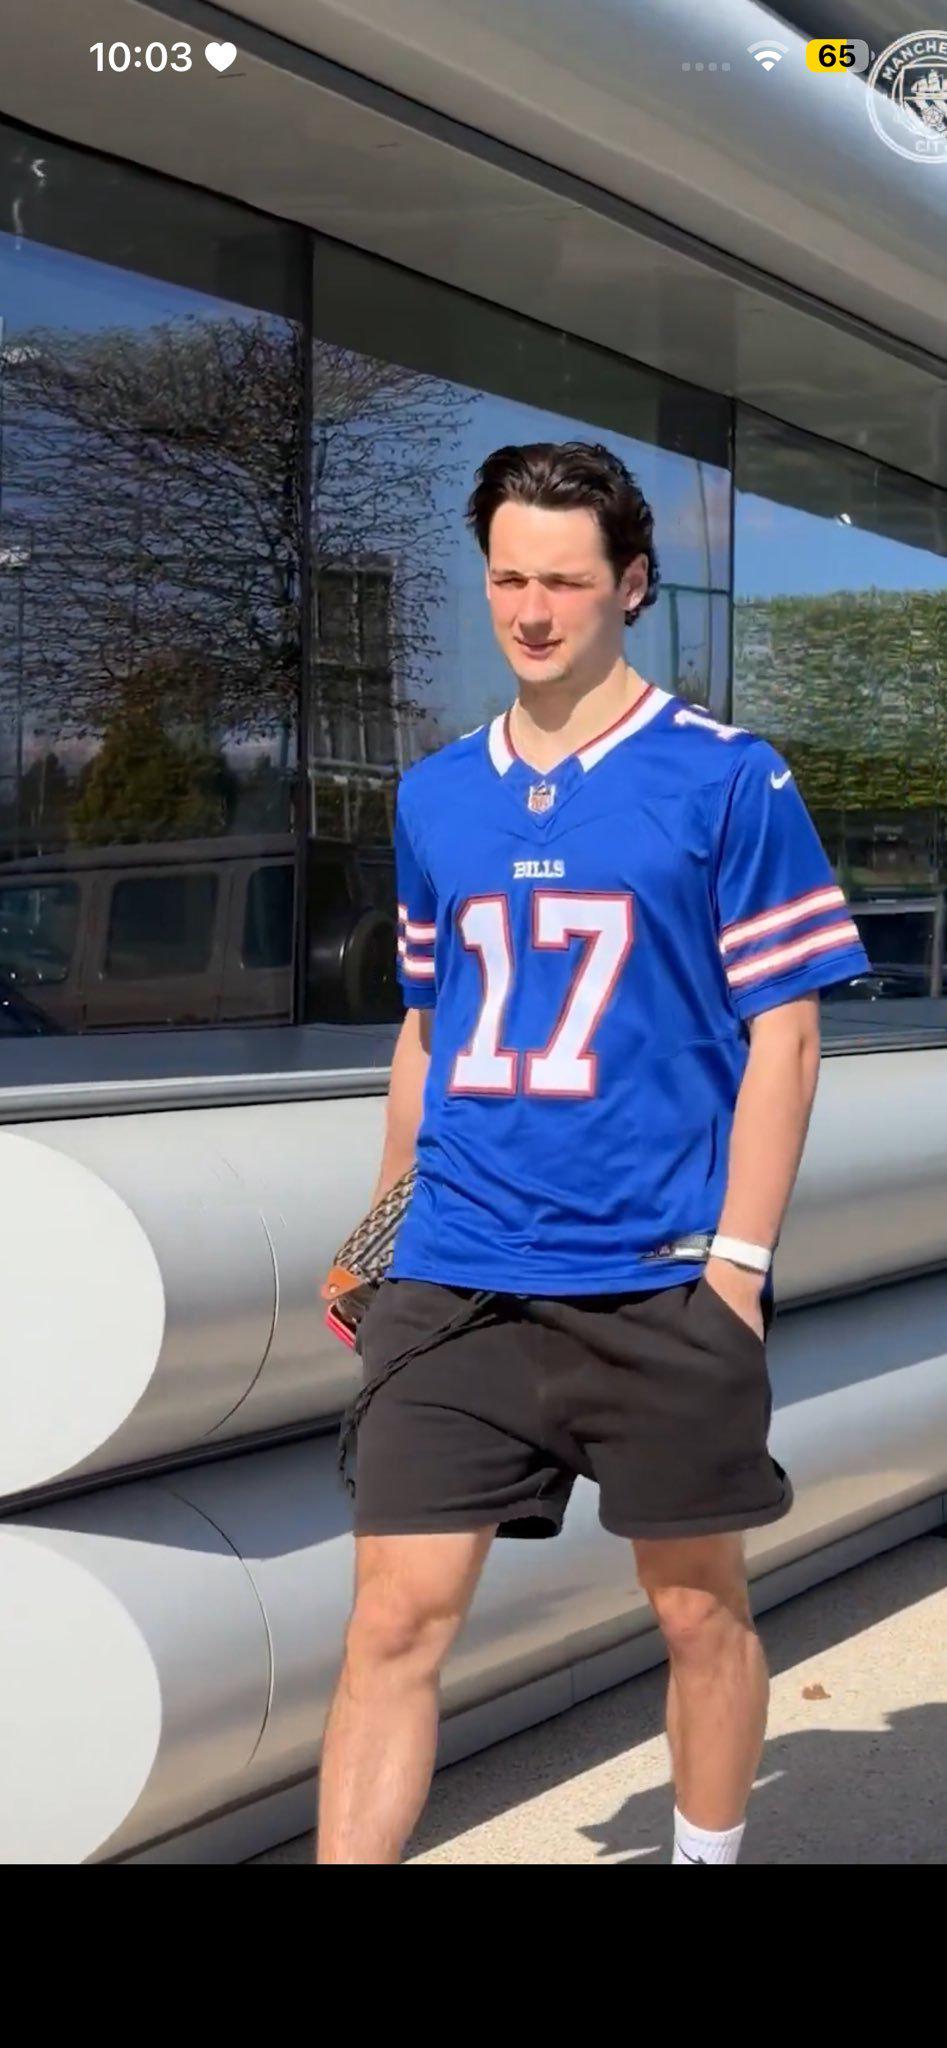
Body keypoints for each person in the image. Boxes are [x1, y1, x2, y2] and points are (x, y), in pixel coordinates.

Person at [317, 440, 870, 1866]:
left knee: (697, 1611)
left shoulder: (729, 780)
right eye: (508, 577)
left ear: (632, 584)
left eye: (564, 581)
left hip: (660, 1278)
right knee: (390, 1621)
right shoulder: (436, 794)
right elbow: (428, 1032)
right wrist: (381, 1231)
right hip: (457, 1277)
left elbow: (787, 1038)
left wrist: (737, 1270)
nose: (531, 610)